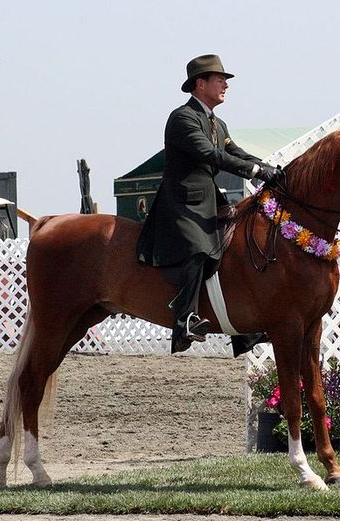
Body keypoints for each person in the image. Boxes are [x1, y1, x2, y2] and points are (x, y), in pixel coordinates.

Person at [136, 54, 282, 353]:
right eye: (220, 79)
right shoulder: (183, 118)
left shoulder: (218, 123)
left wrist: (273, 169)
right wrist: (255, 172)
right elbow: (212, 156)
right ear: (200, 84)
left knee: (236, 248)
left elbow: (237, 152)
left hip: (210, 199)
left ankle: (243, 328)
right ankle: (185, 321)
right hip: (182, 202)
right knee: (199, 250)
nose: (225, 85)